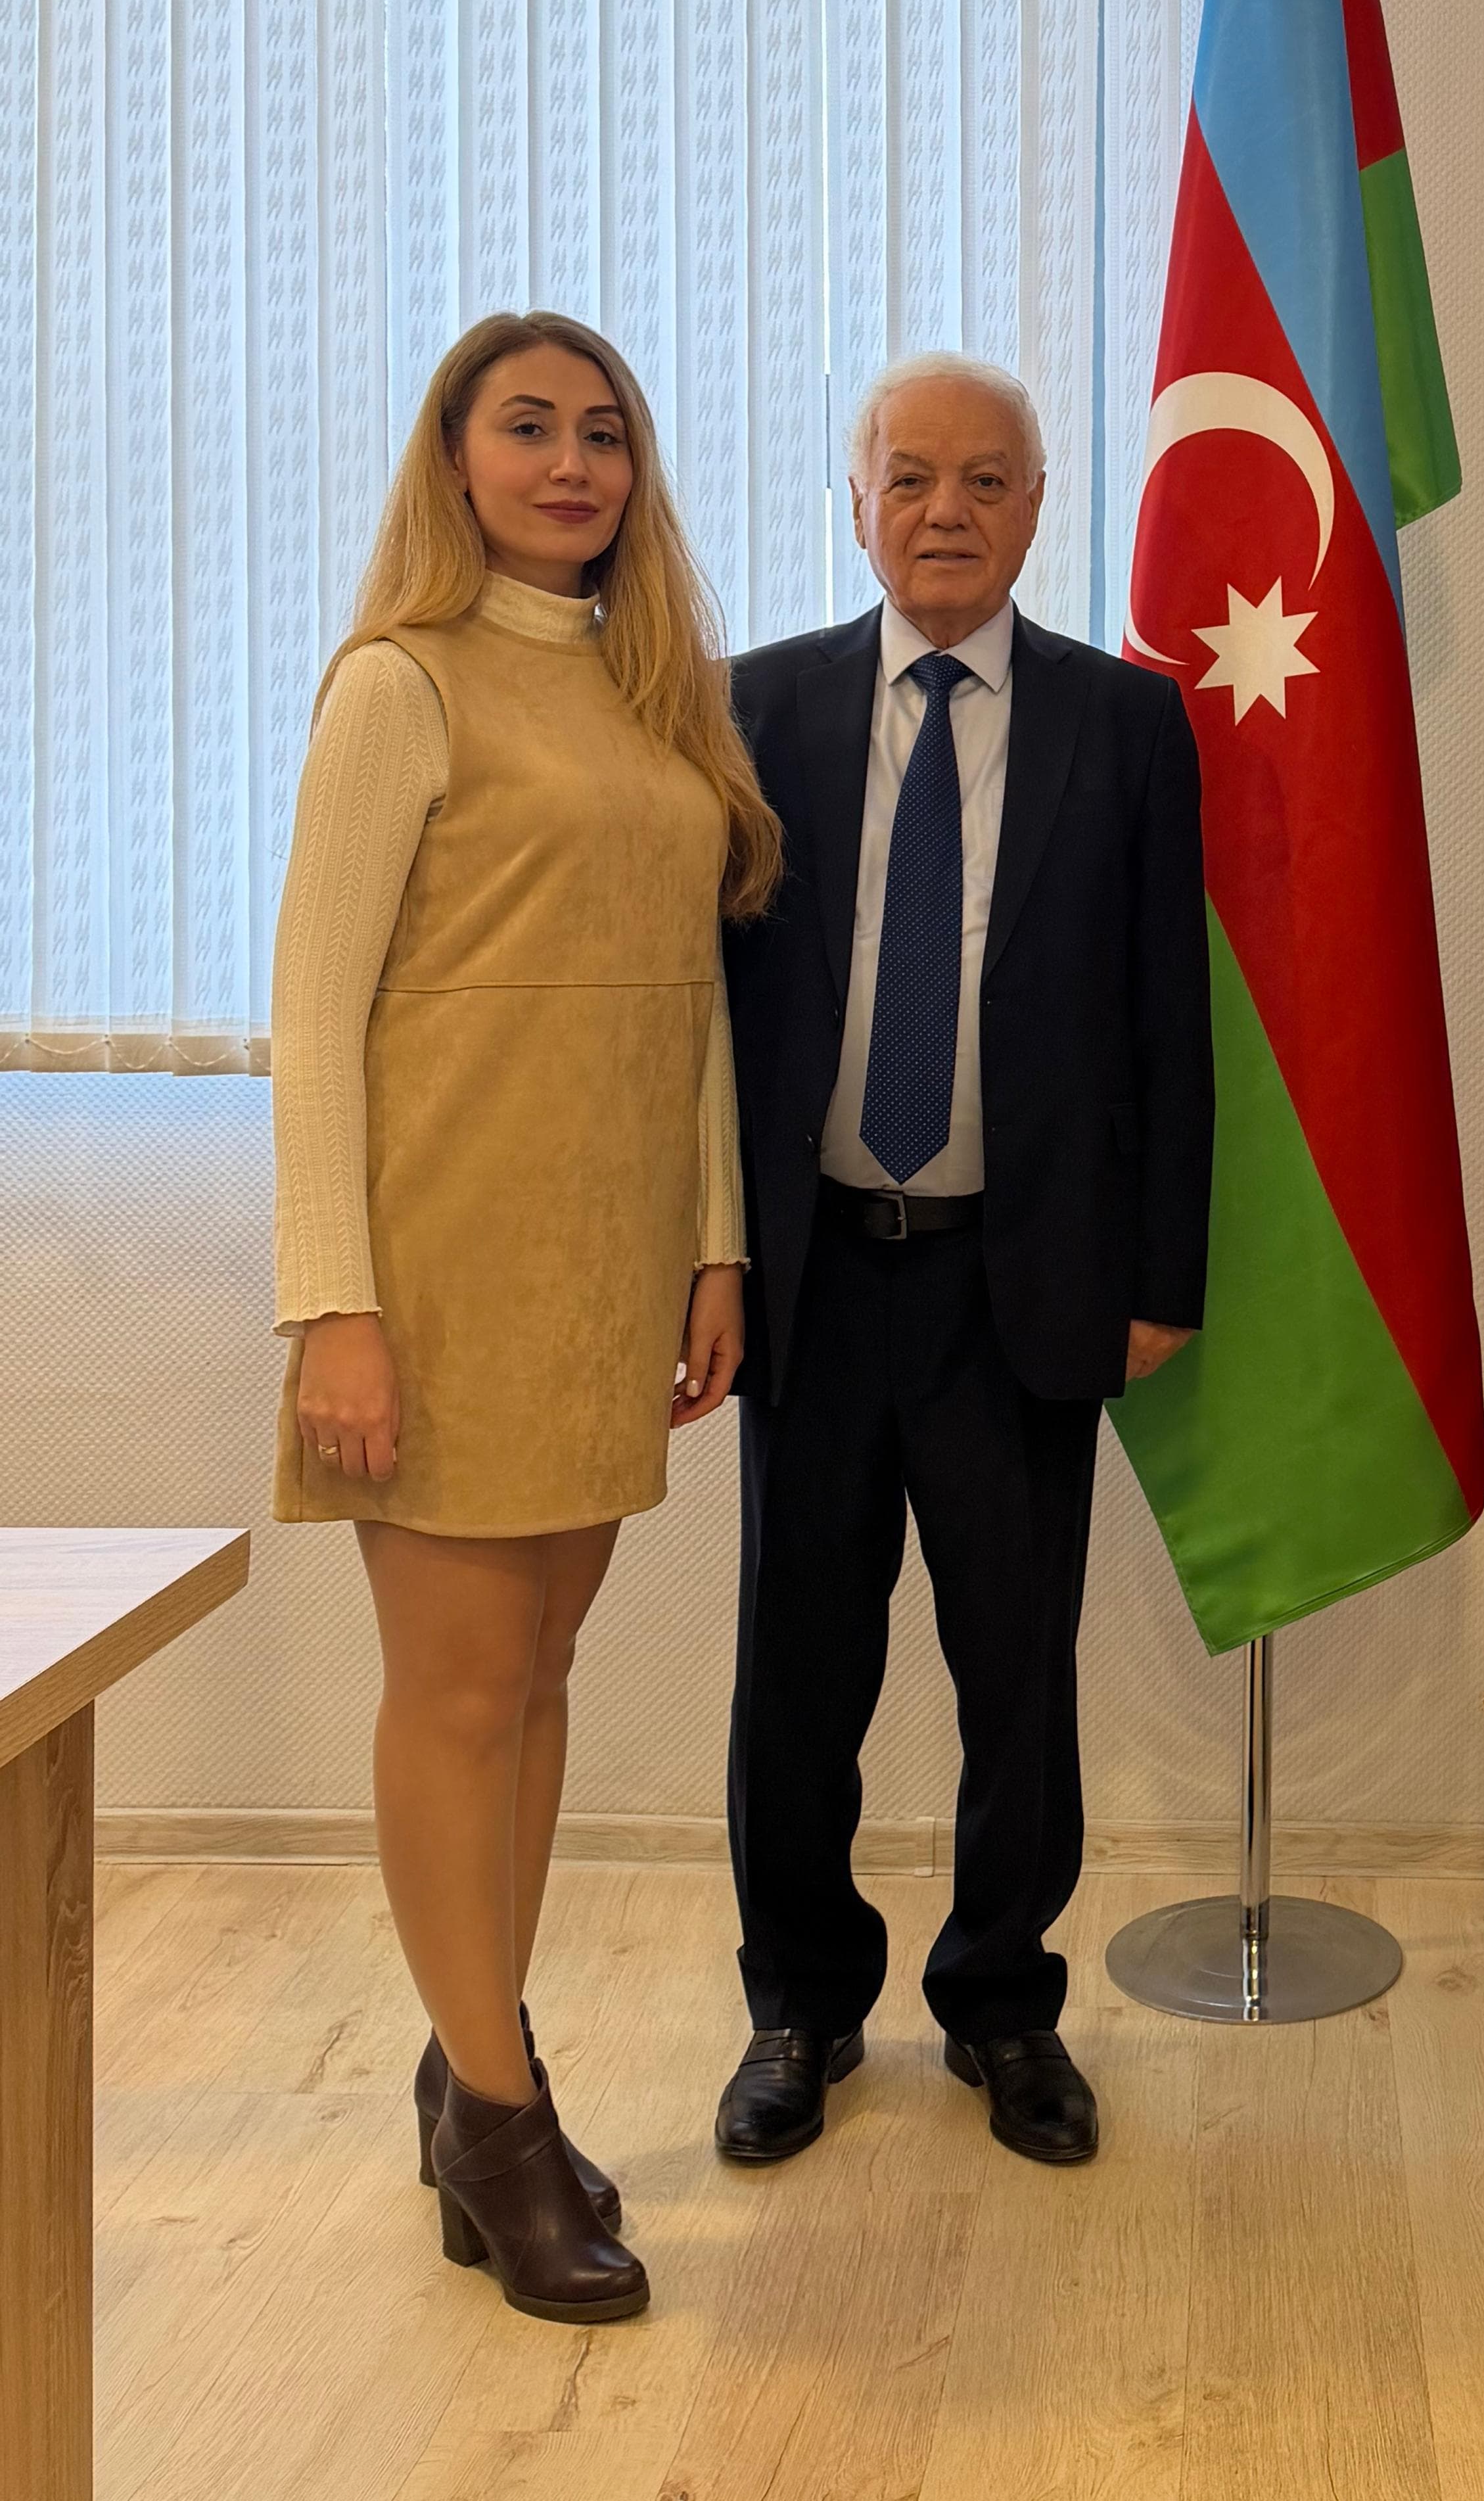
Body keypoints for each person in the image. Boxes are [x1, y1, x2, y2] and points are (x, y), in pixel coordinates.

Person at [271, 309, 779, 2326]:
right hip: (444, 1265)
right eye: (530, 428)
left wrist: (713, 1243)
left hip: (605, 1261)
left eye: (605, 434)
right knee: (460, 1690)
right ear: (456, 459)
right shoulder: (399, 685)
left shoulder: (655, 699)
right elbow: (314, 1017)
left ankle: (463, 2059)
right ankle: (500, 2120)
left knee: (542, 1671)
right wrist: (334, 1305)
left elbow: (689, 1006)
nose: (572, 465)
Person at [714, 350, 1213, 2174]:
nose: (946, 511)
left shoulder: (1126, 722)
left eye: (986, 479)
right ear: (852, 502)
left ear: (1037, 505)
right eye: (910, 477)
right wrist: (707, 1258)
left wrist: (1165, 1276)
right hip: (817, 1275)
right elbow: (702, 1020)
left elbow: (1169, 1021)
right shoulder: (753, 708)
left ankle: (1003, 2001)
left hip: (1024, 1279)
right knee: (800, 1671)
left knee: (1018, 1673)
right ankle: (801, 2004)